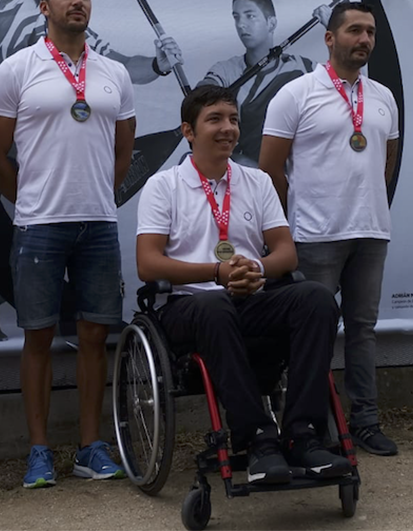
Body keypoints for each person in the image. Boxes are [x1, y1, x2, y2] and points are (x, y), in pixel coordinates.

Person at [0, 0, 183, 342]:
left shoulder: (96, 52)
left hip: (87, 201)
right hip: (11, 126)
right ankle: (3, 299)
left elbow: (126, 67)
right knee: (19, 238)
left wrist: (157, 63)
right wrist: (23, 194)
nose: (77, 0)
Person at [136, 85, 348, 483]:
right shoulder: (163, 186)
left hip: (250, 298)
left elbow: (286, 254)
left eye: (233, 119)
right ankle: (256, 439)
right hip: (189, 306)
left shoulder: (257, 181)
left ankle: (303, 434)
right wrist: (216, 273)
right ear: (188, 131)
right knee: (214, 305)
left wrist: (256, 269)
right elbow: (148, 263)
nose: (228, 128)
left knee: (317, 298)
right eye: (214, 119)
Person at [0, 0, 134, 488]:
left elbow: (122, 152)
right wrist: (25, 198)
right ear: (44, 6)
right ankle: (40, 451)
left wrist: (98, 193)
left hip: (98, 223)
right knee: (38, 338)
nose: (78, 2)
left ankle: (91, 447)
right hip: (38, 226)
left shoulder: (114, 73)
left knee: (95, 337)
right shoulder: (16, 70)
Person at [258, 2, 401, 456]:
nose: (364, 40)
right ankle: (312, 427)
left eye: (371, 32)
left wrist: (365, 203)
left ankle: (364, 421)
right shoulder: (295, 94)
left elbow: (387, 162)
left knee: (363, 330)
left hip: (371, 232)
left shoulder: (383, 96)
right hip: (314, 236)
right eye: (355, 30)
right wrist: (294, 221)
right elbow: (269, 171)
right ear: (330, 38)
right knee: (311, 334)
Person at [199, 0, 316, 166]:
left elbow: (342, 88)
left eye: (250, 16)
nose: (241, 24)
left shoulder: (304, 67)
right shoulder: (226, 70)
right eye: (236, 17)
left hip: (298, 178)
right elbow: (203, 94)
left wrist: (334, 28)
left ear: (272, 23)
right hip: (247, 177)